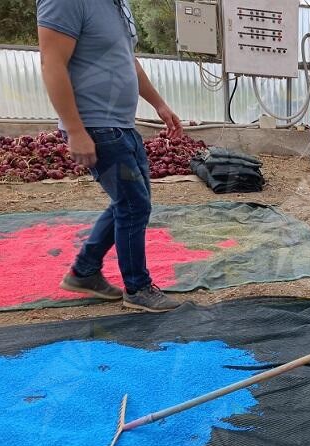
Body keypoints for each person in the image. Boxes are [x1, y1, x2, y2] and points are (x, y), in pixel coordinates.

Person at [37, 0, 184, 313]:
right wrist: (76, 130)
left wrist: (159, 104)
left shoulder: (118, 5)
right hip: (96, 125)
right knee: (133, 204)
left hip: (120, 124)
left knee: (131, 202)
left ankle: (84, 271)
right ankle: (138, 288)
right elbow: (52, 63)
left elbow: (128, 60)